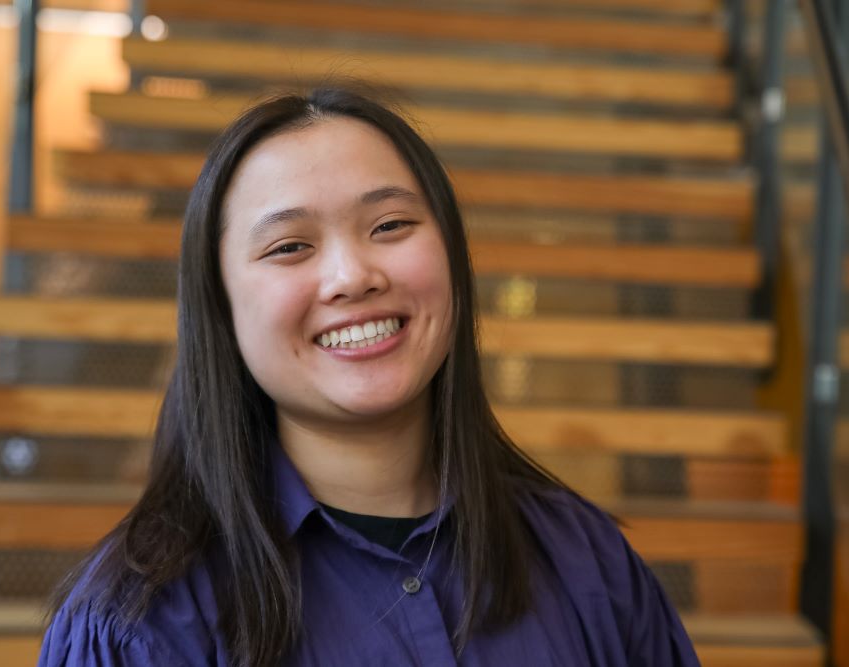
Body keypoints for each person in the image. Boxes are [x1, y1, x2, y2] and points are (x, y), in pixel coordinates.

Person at [39, 86, 699, 667]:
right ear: (222, 308)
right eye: (290, 246)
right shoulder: (138, 625)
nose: (353, 276)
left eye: (390, 225)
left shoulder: (586, 562)